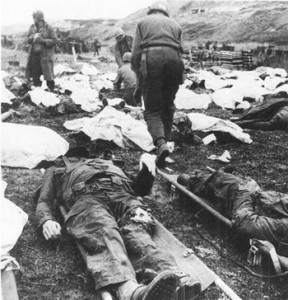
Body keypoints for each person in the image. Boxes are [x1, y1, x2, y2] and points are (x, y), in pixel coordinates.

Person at [35, 151, 201, 300]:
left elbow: (138, 189)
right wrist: (46, 220)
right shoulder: (55, 168)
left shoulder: (110, 163)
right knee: (104, 232)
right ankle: (130, 291)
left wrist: (146, 171)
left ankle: (173, 276)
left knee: (137, 232)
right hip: (87, 199)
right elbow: (44, 200)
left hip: (124, 197)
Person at [131, 1, 184, 168]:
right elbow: (180, 51)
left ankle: (161, 144)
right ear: (165, 12)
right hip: (174, 62)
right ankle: (166, 142)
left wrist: (139, 82)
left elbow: (135, 55)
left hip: (152, 60)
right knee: (168, 105)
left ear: (150, 11)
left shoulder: (142, 23)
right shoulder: (176, 25)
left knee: (152, 108)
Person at [177, 169, 288, 247]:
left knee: (223, 183)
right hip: (254, 196)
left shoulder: (283, 226)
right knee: (227, 181)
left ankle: (195, 180)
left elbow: (245, 223)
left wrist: (245, 193)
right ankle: (201, 179)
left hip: (243, 201)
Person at [26, 10, 57, 91]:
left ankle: (51, 91)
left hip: (45, 56)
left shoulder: (49, 28)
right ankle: (37, 92)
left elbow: (55, 40)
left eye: (34, 17)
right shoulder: (32, 27)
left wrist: (43, 41)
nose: (33, 18)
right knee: (35, 75)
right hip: (34, 56)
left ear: (39, 18)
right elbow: (28, 39)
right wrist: (32, 37)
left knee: (48, 75)